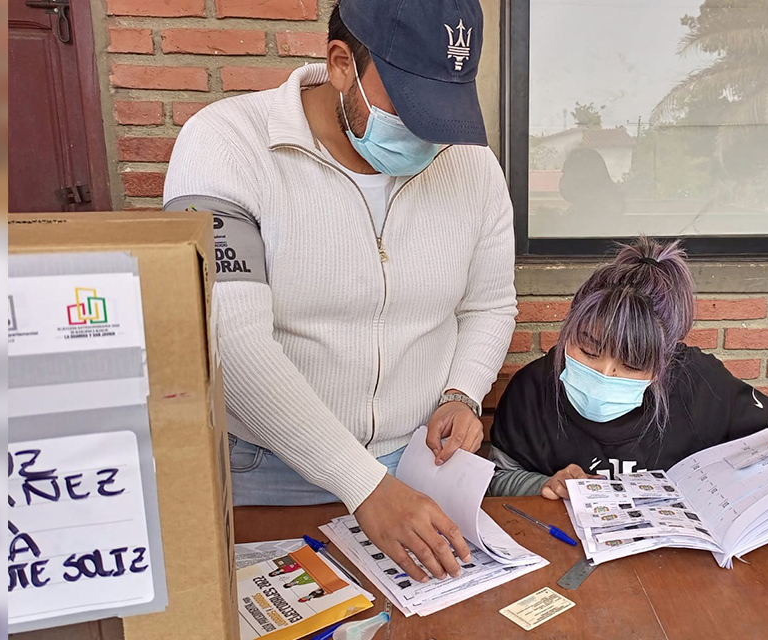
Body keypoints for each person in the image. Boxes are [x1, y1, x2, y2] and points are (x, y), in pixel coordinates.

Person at [162, 0, 516, 585]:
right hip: (267, 471)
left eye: (445, 111)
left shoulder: (472, 166)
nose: (431, 134)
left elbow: (487, 304)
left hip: (417, 464)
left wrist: (462, 393)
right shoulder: (226, 146)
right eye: (410, 104)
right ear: (342, 63)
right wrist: (365, 486)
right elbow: (232, 341)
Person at [487, 237, 768, 499]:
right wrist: (543, 484)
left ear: (666, 361)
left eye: (633, 365)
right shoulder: (533, 388)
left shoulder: (698, 383)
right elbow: (499, 476)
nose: (605, 374)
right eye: (589, 352)